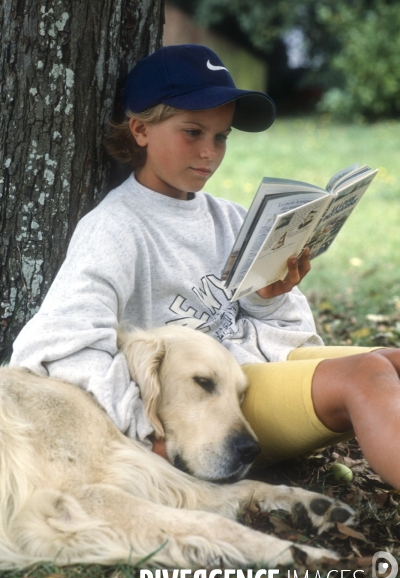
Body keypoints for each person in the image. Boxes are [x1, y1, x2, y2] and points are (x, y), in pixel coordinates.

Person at [11, 45, 400, 489]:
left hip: (252, 374)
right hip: (207, 410)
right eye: (193, 132)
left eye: (221, 137)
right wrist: (144, 430)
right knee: (368, 375)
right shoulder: (114, 229)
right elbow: (59, 345)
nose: (209, 153)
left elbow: (278, 334)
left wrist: (267, 299)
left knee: (392, 363)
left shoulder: (232, 219)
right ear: (140, 129)